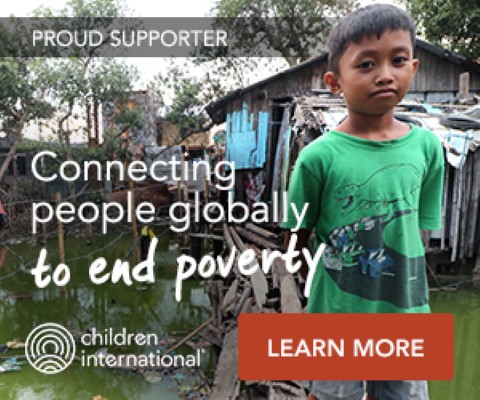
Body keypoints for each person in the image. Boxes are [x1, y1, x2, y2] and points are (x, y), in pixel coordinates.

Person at [282, 4, 444, 400]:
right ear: (335, 82)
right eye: (367, 64)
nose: (385, 74)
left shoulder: (427, 148)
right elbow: (295, 243)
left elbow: (418, 236)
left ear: (414, 68)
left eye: (398, 60)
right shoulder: (318, 158)